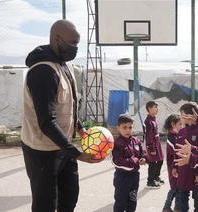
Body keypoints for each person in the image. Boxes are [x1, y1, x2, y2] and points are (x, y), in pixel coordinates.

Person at [21, 20, 102, 212]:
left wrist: (80, 128)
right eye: (72, 43)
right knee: (46, 204)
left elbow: (67, 104)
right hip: (42, 151)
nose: (75, 48)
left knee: (69, 198)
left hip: (62, 146)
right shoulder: (43, 72)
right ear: (57, 39)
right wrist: (78, 153)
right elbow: (46, 121)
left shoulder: (63, 65)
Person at [112, 114, 148, 212]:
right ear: (118, 128)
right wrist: (135, 160)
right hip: (122, 178)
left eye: (130, 127)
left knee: (132, 201)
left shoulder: (136, 141)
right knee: (120, 202)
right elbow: (117, 161)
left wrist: (144, 158)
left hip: (134, 176)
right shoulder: (117, 143)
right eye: (124, 127)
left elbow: (142, 152)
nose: (128, 130)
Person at [162, 114, 182, 212]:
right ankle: (167, 207)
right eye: (180, 124)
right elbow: (176, 152)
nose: (181, 127)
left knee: (178, 188)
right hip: (173, 167)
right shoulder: (172, 137)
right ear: (173, 124)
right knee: (175, 188)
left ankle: (177, 207)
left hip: (177, 166)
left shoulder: (176, 135)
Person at [144, 101, 164, 188]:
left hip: (157, 143)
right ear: (149, 108)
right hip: (152, 144)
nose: (157, 109)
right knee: (153, 162)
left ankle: (156, 176)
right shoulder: (148, 121)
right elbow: (149, 137)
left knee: (160, 160)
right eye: (155, 107)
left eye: (157, 107)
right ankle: (150, 181)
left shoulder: (153, 119)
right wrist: (152, 148)